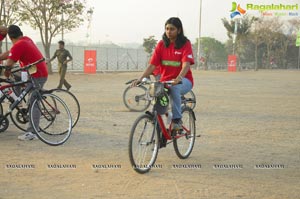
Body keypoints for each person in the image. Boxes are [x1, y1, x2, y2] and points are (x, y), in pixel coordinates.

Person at [133, 17, 194, 131]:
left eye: (172, 29)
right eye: (167, 29)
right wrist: (140, 78)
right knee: (155, 95)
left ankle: (177, 121)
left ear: (179, 30)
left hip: (183, 80)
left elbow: (186, 65)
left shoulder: (185, 44)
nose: (168, 31)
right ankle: (160, 125)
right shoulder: (161, 44)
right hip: (165, 81)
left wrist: (178, 78)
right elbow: (152, 65)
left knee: (175, 88)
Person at [0, 25, 48, 141]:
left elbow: (9, 64)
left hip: (37, 75)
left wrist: (6, 72)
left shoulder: (19, 45)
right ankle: (16, 99)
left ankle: (32, 132)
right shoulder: (26, 39)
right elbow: (10, 53)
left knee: (33, 102)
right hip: (33, 72)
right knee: (14, 80)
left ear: (10, 38)